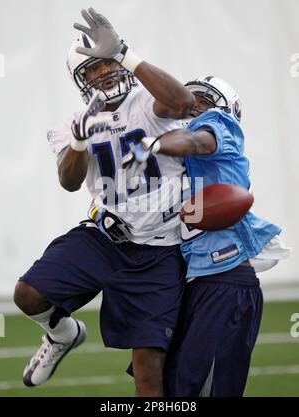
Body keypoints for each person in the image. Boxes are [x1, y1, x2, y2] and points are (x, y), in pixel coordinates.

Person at [13, 8, 195, 396]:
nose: (103, 73)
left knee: (149, 373)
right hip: (105, 238)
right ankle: (62, 334)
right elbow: (69, 182)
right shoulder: (72, 123)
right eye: (91, 70)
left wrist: (127, 52)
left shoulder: (149, 101)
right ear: (80, 81)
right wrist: (79, 141)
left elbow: (183, 103)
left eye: (107, 63)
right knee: (27, 294)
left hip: (160, 252)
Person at [123, 76, 291, 396]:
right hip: (187, 283)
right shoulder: (173, 160)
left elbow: (199, 141)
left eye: (203, 99)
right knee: (165, 384)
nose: (191, 103)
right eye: (189, 97)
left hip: (222, 281)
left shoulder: (217, 126)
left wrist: (152, 144)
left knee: (203, 391)